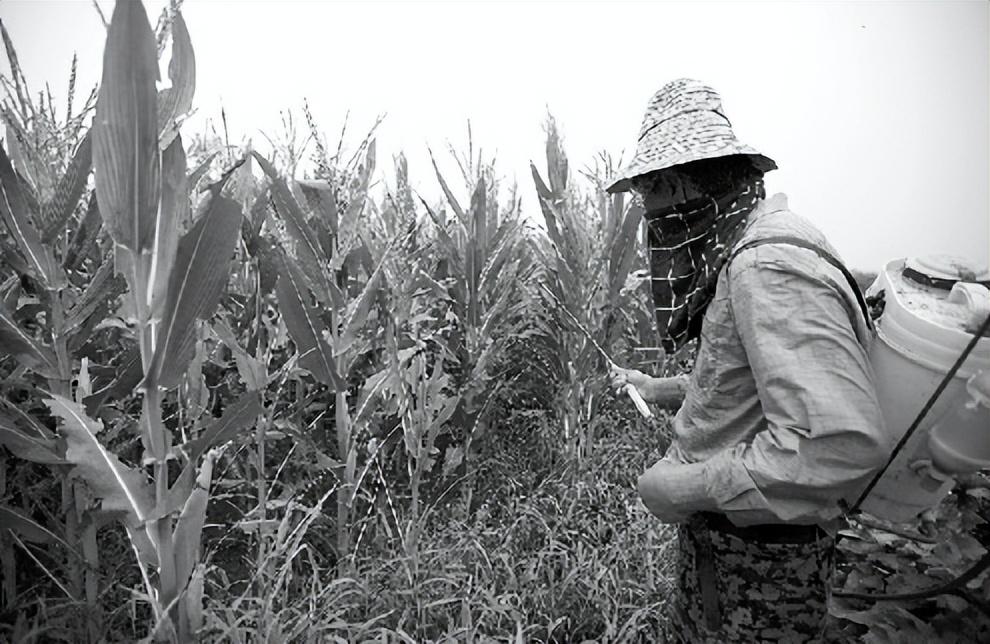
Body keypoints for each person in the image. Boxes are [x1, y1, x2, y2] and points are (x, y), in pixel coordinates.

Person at [606, 78, 890, 643]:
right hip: (738, 563)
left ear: (685, 184)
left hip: (758, 576)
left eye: (651, 194)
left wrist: (678, 490)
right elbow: (752, 382)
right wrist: (658, 387)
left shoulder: (766, 265)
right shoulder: (754, 244)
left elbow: (834, 443)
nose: (650, 215)